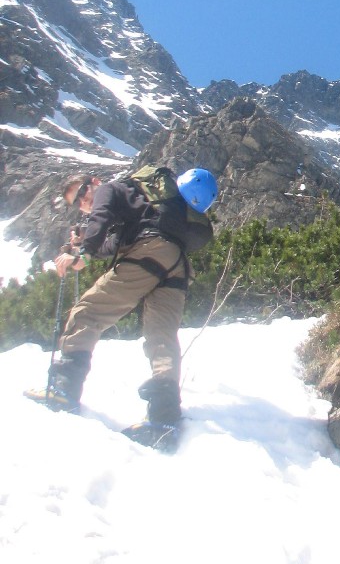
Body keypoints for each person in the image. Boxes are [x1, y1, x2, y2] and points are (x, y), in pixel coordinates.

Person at [26, 168, 218, 429]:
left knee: (88, 312)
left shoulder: (110, 188)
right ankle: (164, 416)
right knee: (161, 336)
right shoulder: (143, 209)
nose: (83, 202)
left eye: (82, 192)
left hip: (149, 252)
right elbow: (112, 243)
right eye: (77, 203)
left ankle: (63, 388)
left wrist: (83, 253)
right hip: (177, 264)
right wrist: (84, 244)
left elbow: (100, 217)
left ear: (94, 182)